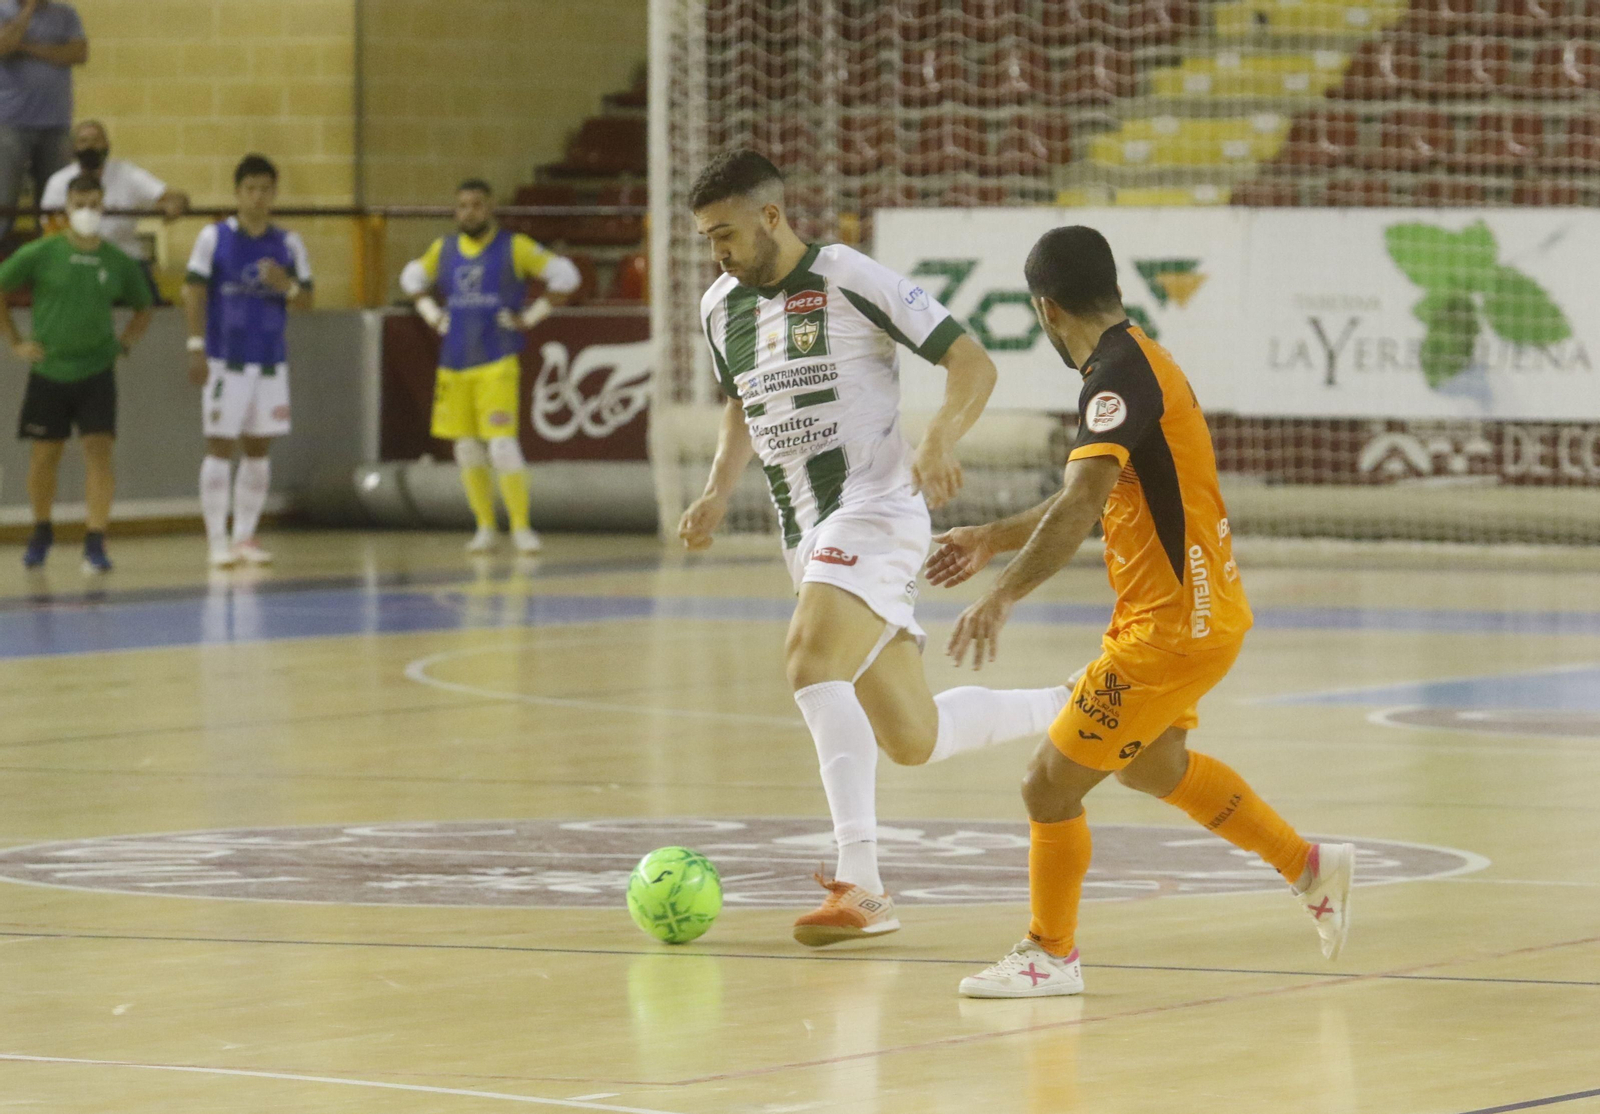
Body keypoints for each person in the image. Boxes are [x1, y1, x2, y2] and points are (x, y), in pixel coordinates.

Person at [930, 226, 1352, 998]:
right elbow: (1089, 495)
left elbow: (1084, 499)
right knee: (1154, 766)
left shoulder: (1115, 377)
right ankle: (1307, 865)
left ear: (1047, 310)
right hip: (1191, 615)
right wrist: (993, 536)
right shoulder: (1139, 360)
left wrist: (1003, 595)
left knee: (1047, 787)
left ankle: (1049, 954)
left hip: (1172, 627)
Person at [676, 150, 1073, 946]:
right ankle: (1079, 701)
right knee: (911, 737)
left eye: (726, 235)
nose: (717, 253)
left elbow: (972, 361)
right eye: (707, 239)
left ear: (773, 218)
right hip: (805, 533)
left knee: (808, 660)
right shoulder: (721, 307)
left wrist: (938, 438)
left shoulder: (849, 277)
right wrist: (719, 489)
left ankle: (863, 886)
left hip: (877, 507)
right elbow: (740, 405)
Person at [399, 179, 581, 554]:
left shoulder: (513, 247)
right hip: (454, 363)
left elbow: (566, 276)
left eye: (476, 205)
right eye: (462, 205)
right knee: (465, 449)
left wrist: (531, 316)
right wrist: (432, 313)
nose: (469, 212)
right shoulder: (444, 249)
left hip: (496, 361)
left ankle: (520, 527)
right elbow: (411, 278)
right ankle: (484, 527)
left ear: (490, 207)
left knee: (501, 446)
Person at [0, 174, 151, 572]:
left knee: (98, 452)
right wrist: (15, 340)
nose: (87, 211)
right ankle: (41, 529)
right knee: (44, 455)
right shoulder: (42, 252)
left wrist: (124, 344)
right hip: (49, 370)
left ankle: (96, 540)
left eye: (94, 204)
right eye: (79, 203)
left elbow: (144, 306)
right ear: (66, 208)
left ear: (104, 207)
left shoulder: (117, 261)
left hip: (97, 371)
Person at [183, 153, 313, 568]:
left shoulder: (289, 243)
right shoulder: (214, 237)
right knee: (219, 446)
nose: (258, 197)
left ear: (274, 194)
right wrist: (195, 346)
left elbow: (308, 302)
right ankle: (216, 540)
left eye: (265, 189)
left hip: (270, 361)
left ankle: (245, 537)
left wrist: (287, 286)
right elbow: (193, 292)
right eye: (250, 189)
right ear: (237, 193)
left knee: (258, 448)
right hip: (225, 359)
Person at [41, 119, 189, 296]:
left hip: (126, 258)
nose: (90, 146)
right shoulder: (58, 182)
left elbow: (174, 196)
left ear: (107, 145)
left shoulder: (127, 173)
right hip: (74, 260)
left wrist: (175, 204)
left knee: (152, 307)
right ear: (74, 147)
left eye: (96, 140)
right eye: (83, 141)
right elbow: (50, 226)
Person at [0, 0, 87, 241]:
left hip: (56, 124)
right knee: (4, 201)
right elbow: (5, 45)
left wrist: (26, 47)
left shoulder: (65, 14)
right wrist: (29, 8)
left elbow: (79, 52)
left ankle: (52, 260)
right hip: (9, 124)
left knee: (55, 203)